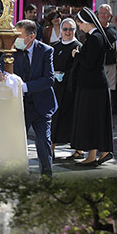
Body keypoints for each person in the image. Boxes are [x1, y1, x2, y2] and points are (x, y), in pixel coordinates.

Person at [0, 20, 57, 176]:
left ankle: (47, 177)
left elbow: (49, 79)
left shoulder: (46, 51)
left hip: (41, 104)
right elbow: (0, 62)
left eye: (19, 36)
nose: (16, 39)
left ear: (31, 36)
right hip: (20, 106)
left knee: (43, 142)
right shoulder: (13, 49)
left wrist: (24, 87)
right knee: (17, 142)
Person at [67, 7, 114, 167]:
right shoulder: (94, 37)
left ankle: (93, 155)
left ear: (85, 23)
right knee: (95, 120)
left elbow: (89, 63)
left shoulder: (95, 38)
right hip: (94, 85)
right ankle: (98, 153)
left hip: (93, 87)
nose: (79, 27)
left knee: (92, 119)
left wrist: (77, 54)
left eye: (79, 24)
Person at [51, 18, 82, 157]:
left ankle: (78, 149)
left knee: (73, 119)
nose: (68, 32)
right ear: (61, 30)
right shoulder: (55, 47)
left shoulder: (78, 46)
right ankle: (51, 147)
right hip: (56, 88)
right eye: (65, 29)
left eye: (71, 29)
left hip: (71, 89)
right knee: (54, 118)